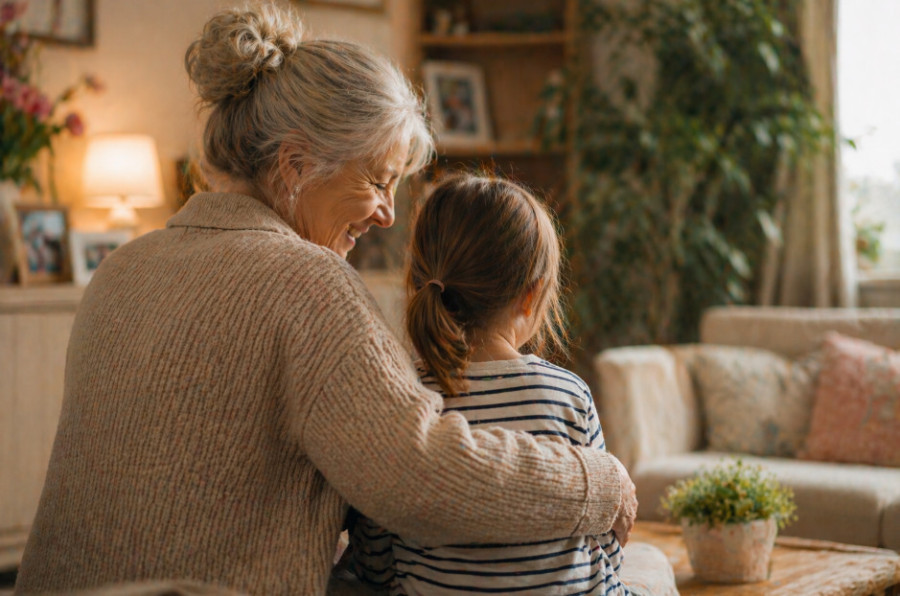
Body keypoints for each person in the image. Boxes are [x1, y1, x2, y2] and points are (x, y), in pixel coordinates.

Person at [14, 5, 637, 596]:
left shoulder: (122, 266)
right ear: (293, 167)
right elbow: (421, 477)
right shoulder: (306, 282)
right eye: (377, 181)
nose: (389, 215)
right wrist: (598, 480)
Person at [350, 175, 663, 595]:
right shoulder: (568, 394)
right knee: (653, 566)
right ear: (531, 296)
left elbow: (375, 557)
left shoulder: (400, 393)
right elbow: (605, 542)